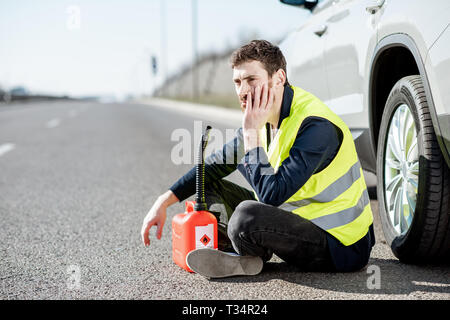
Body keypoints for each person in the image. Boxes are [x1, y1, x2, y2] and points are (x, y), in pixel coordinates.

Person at [141, 40, 375, 279]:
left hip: (342, 245)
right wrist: (164, 201)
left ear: (279, 78)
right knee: (207, 185)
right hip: (299, 219)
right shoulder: (262, 117)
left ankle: (241, 252)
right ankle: (244, 254)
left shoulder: (315, 125)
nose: (242, 91)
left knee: (246, 216)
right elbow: (212, 167)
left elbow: (271, 196)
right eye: (237, 82)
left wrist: (251, 134)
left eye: (251, 80)